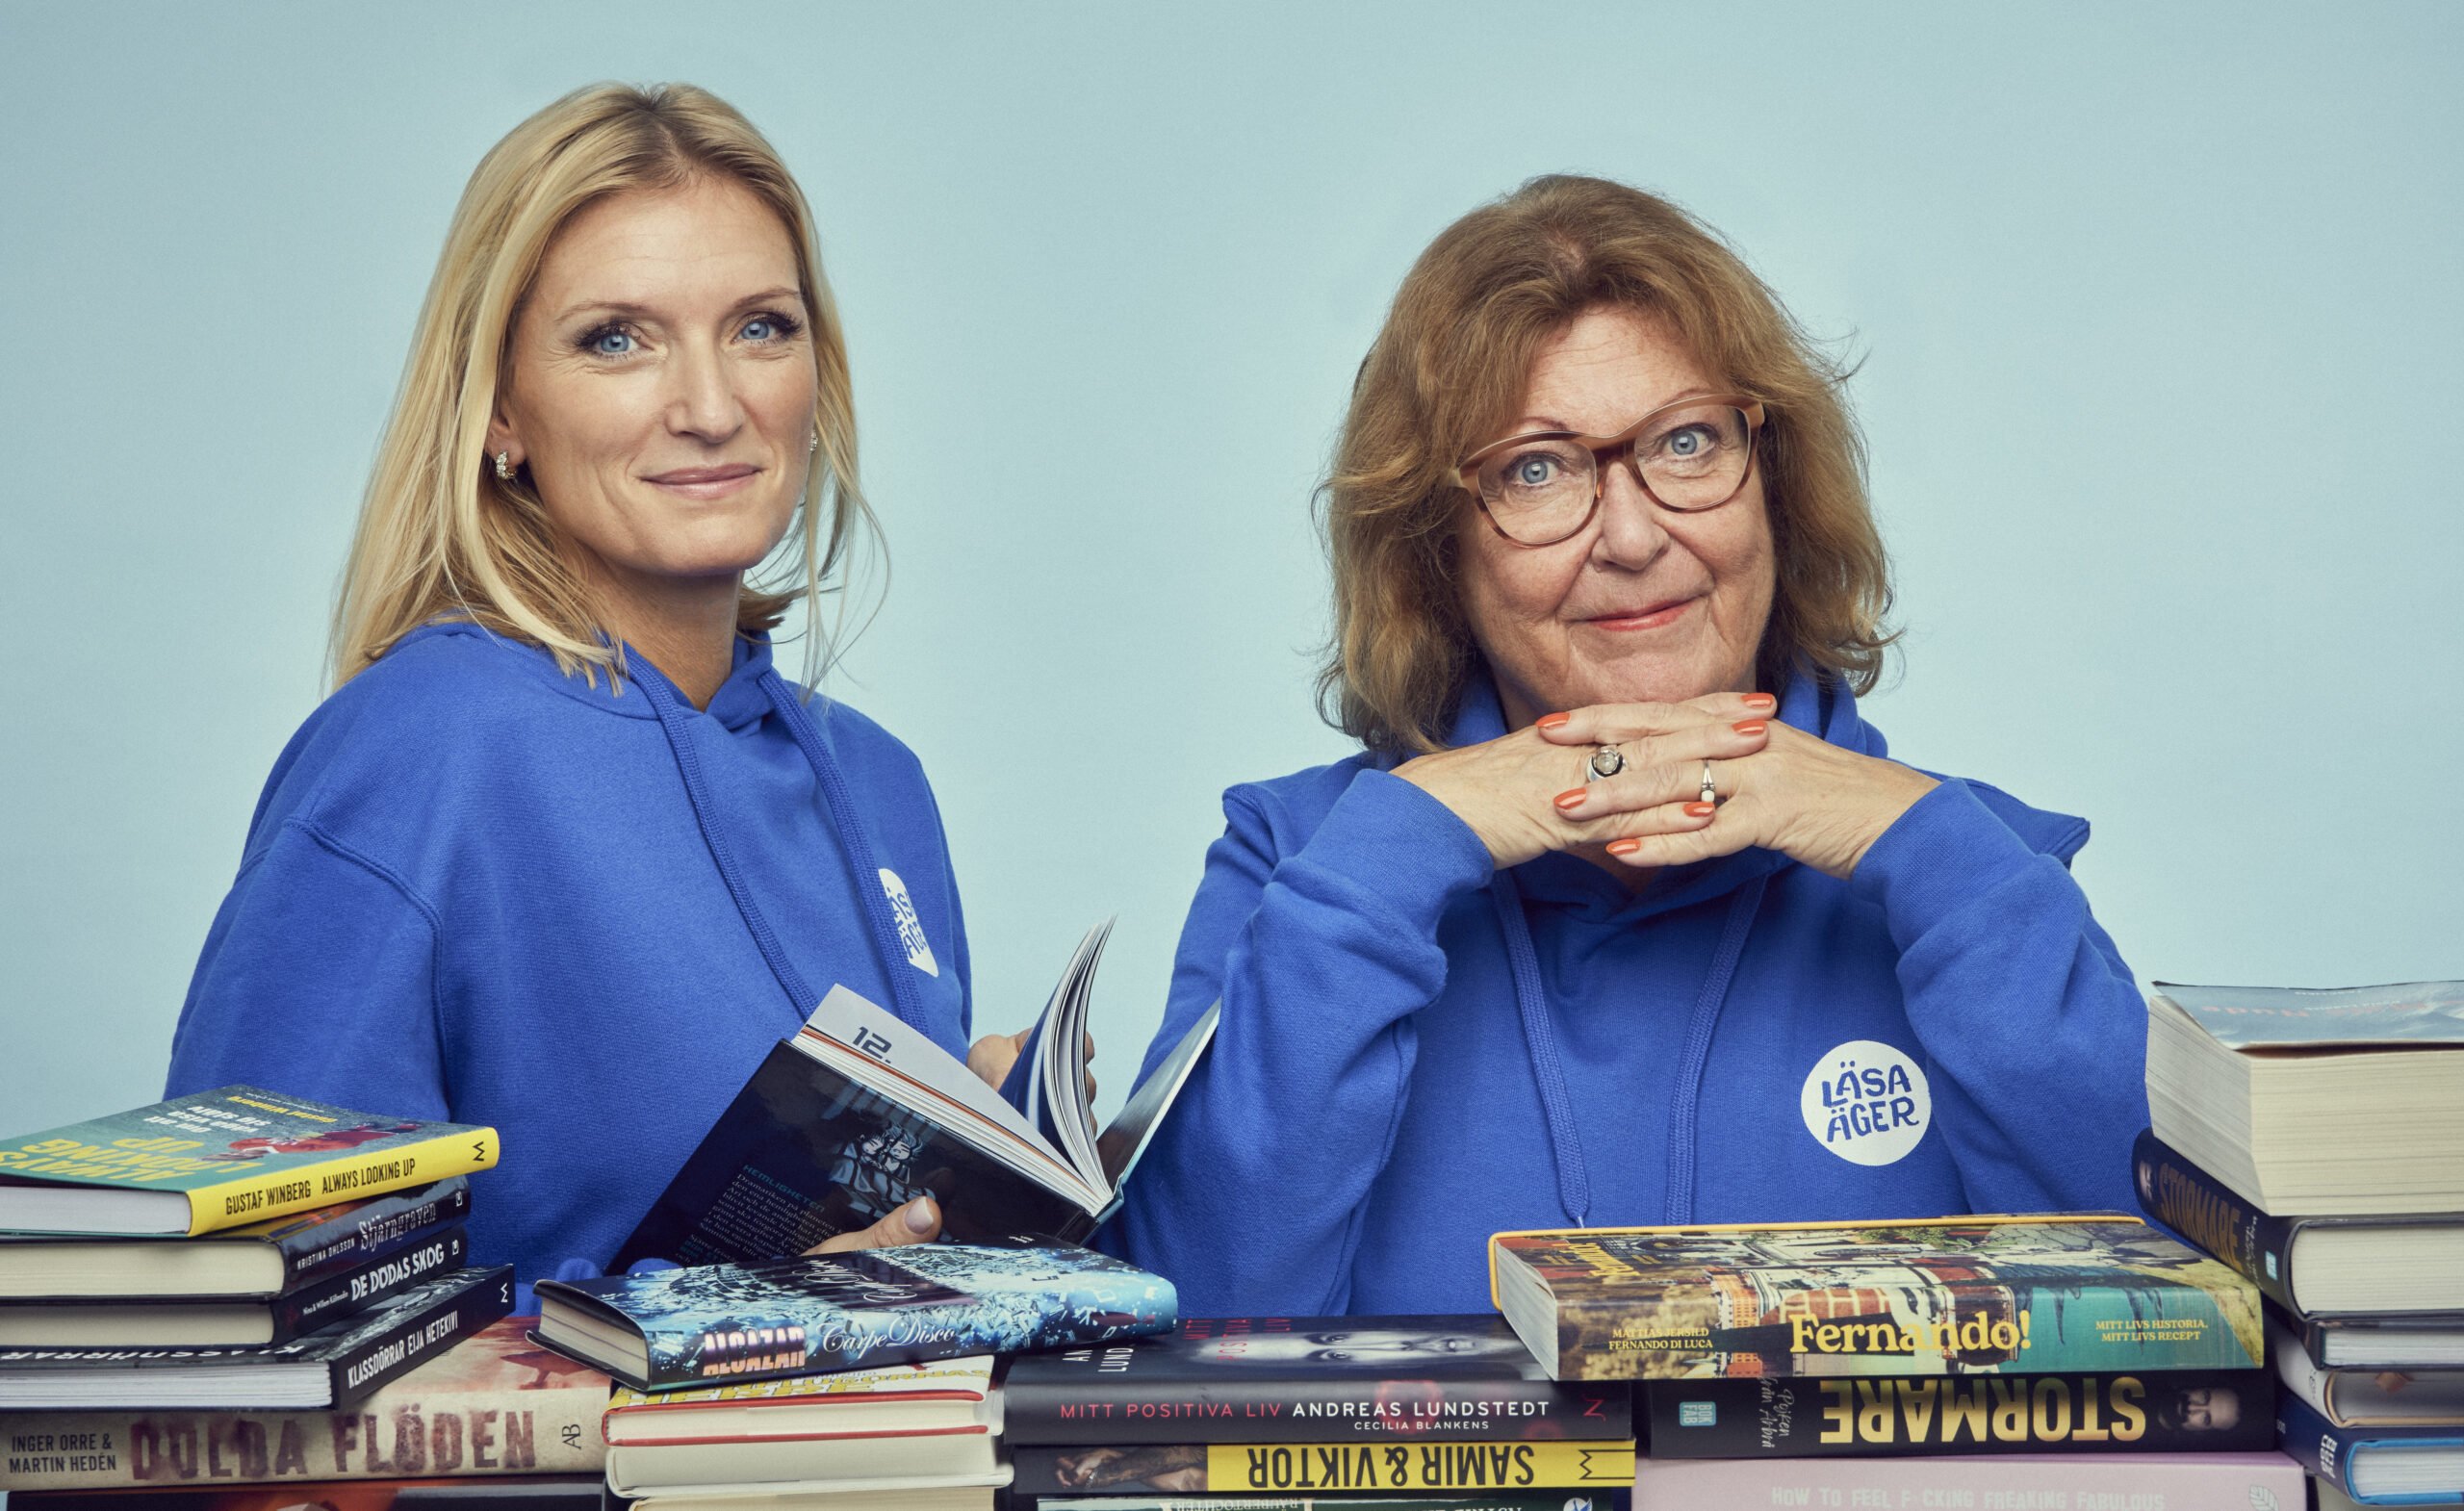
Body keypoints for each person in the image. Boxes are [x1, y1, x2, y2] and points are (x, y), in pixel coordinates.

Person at [1109, 175, 2150, 1317]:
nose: (1634, 536)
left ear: (1774, 487)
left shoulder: (1975, 864)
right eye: (1535, 468)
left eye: (1687, 442)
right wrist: (1400, 845)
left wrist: (1920, 845)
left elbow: (2165, 1321)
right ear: (1435, 548)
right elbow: (1186, 1326)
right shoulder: (1304, 862)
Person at [165, 83, 1036, 1289]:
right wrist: (708, 1325)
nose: (711, 408)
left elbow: (864, 1270)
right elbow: (257, 1313)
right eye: (616, 339)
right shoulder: (419, 754)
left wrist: (971, 1194)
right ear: (500, 411)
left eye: (761, 328)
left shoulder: (881, 784)